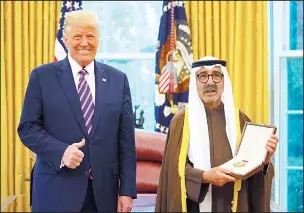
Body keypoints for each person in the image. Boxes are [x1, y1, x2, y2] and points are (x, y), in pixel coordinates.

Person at [17, 10, 136, 212]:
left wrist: (126, 191)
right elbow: (27, 128)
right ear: (65, 39)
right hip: (56, 191)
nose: (84, 43)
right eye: (77, 37)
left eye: (90, 36)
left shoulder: (118, 80)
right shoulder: (42, 76)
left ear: (98, 39)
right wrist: (61, 151)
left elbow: (126, 142)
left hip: (103, 194)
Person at [155, 56, 279, 212]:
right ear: (195, 82)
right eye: (203, 76)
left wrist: (264, 161)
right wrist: (204, 177)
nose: (210, 82)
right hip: (195, 207)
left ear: (224, 81)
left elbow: (253, 170)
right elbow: (173, 172)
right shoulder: (181, 121)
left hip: (233, 204)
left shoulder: (240, 119)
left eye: (216, 75)